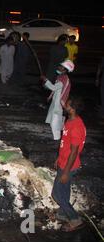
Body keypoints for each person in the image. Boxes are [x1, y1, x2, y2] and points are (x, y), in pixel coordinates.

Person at [51, 97, 86, 232]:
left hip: (69, 166)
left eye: (68, 104)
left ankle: (75, 219)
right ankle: (62, 213)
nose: (65, 105)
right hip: (63, 162)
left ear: (73, 108)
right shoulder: (69, 120)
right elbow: (65, 143)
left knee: (57, 194)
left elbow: (74, 152)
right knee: (63, 192)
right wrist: (58, 158)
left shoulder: (77, 126)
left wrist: (66, 171)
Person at [41, 60, 74, 140]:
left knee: (56, 120)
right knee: (54, 118)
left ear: (65, 70)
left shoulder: (64, 79)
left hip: (59, 103)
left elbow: (53, 87)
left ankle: (57, 138)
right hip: (56, 101)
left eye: (61, 66)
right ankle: (56, 136)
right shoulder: (60, 77)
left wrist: (45, 80)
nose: (59, 67)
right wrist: (50, 96)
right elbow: (55, 89)